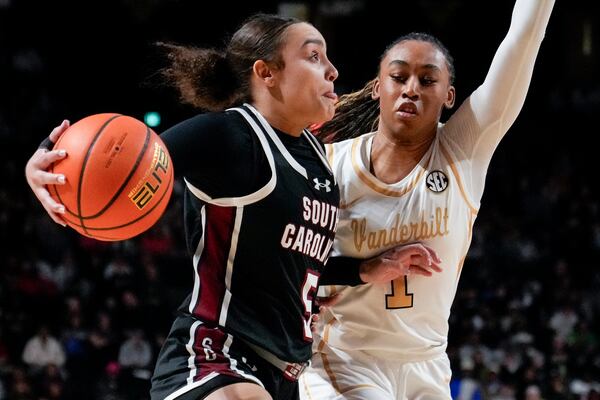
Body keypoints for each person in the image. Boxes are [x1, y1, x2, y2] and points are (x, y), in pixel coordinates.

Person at [24, 14, 440, 400]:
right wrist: (44, 166)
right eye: (314, 56)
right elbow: (130, 163)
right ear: (267, 73)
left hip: (284, 373)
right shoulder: (230, 136)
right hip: (217, 354)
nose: (332, 70)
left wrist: (364, 269)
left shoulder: (317, 160)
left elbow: (291, 264)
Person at [300, 0, 555, 399]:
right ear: (376, 88)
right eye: (398, 77)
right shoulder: (327, 166)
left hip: (428, 364)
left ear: (450, 95)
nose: (411, 89)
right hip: (344, 359)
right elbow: (286, 262)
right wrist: (365, 268)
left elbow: (522, 41)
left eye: (427, 80)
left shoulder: (462, 152)